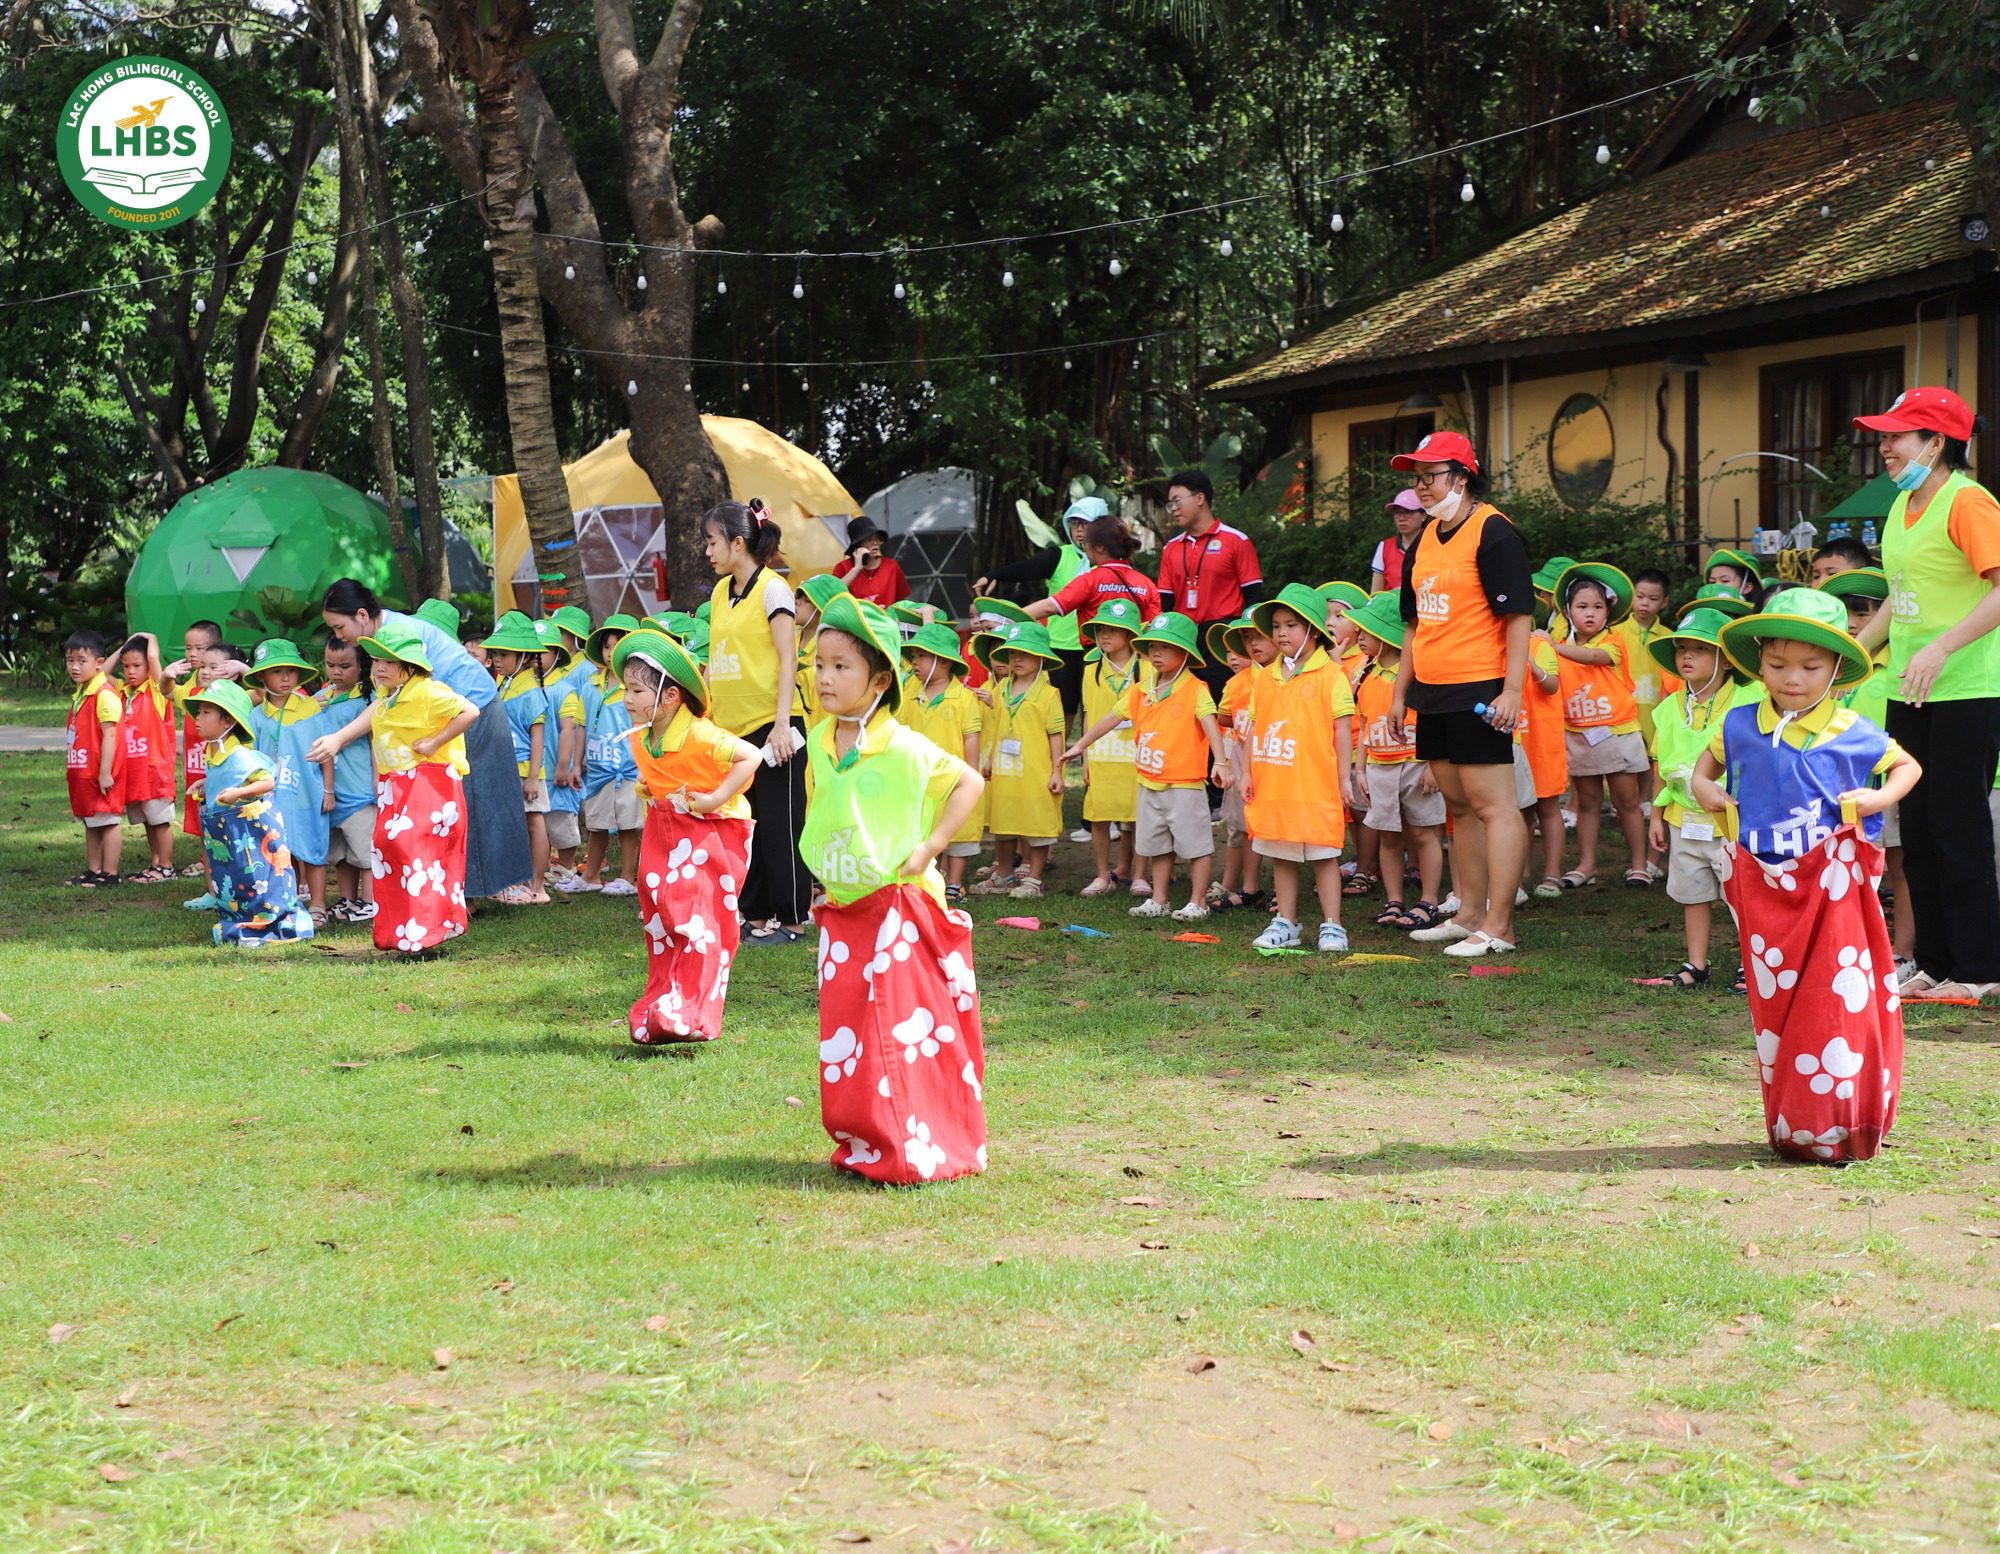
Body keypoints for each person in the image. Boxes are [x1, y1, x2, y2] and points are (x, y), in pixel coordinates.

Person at [1693, 589, 1920, 1162]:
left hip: (1837, 886)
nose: (1792, 678)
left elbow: (1908, 766)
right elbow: (1704, 770)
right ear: (1760, 661)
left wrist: (1877, 797)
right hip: (1764, 888)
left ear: (1837, 667)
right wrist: (1707, 792)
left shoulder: (1853, 728)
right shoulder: (1741, 722)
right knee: (1777, 1006)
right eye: (1777, 665)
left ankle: (1841, 1124)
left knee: (1835, 1002)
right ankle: (1796, 1122)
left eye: (1809, 667)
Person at [799, 594, 988, 1185]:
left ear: (880, 678)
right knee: (849, 1031)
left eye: (841, 666)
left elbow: (969, 782)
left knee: (905, 1031)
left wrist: (930, 848)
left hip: (901, 908)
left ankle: (922, 1146)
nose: (825, 677)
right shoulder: (822, 742)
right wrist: (823, 882)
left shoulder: (904, 747)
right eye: (818, 664)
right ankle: (865, 1140)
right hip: (846, 909)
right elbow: (821, 812)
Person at [1849, 387, 2000, 1000]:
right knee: (1917, 826)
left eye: (1897, 436)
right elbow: (1898, 597)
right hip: (1908, 691)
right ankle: (1937, 963)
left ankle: (1981, 969)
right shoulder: (1902, 503)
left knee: (1957, 828)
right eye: (1883, 436)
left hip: (1968, 690)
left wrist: (1943, 647)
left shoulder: (1970, 502)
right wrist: (1853, 658)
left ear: (1937, 443)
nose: (1885, 447)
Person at [1389, 431, 1533, 956]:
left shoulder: (1494, 532)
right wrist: (1398, 695)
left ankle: (1500, 925)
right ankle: (1468, 914)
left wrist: (1512, 690)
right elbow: (1412, 626)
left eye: (1430, 475)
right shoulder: (1424, 538)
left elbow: (1518, 616)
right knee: (1459, 806)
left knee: (1494, 805)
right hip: (1432, 689)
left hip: (1481, 686)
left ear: (1462, 476)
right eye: (1416, 477)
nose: (1421, 486)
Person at [317, 579, 532, 900]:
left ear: (362, 615)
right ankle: (464, 893)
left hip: (475, 710)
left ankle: (484, 892)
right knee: (455, 806)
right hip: (447, 717)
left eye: (339, 626)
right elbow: (387, 706)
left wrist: (340, 738)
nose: (338, 636)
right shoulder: (380, 640)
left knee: (477, 801)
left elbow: (382, 704)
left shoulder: (399, 634)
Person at [612, 628, 760, 1044]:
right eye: (627, 688)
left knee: (696, 919)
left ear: (671, 696)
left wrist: (716, 797)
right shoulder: (643, 737)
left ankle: (692, 1012)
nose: (628, 698)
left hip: (712, 833)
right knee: (660, 913)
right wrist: (649, 784)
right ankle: (667, 1000)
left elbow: (752, 755)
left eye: (638, 690)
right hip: (666, 830)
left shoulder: (700, 734)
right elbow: (660, 774)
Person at [313, 619, 479, 954]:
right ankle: (402, 934)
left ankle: (425, 934)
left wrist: (435, 742)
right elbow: (374, 713)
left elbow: (470, 711)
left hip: (430, 785)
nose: (379, 668)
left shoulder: (430, 691)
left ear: (408, 665)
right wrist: (338, 739)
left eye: (387, 661)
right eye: (375, 661)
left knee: (414, 854)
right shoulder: (389, 695)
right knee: (389, 851)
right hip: (397, 786)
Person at [703, 499, 815, 945]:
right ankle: (754, 917)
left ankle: (791, 921)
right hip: (733, 732)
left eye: (712, 542)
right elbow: (716, 660)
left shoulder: (774, 590)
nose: (707, 551)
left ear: (737, 541)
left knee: (781, 825)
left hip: (774, 728)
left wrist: (784, 724)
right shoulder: (718, 593)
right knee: (745, 826)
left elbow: (788, 660)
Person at [1066, 611, 1227, 921]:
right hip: (1149, 781)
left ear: (1184, 653)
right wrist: (1082, 744)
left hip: (1184, 783)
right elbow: (1113, 717)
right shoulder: (1142, 688)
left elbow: (1209, 722)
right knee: (1158, 845)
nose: (1155, 653)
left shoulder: (1196, 688)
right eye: (1152, 646)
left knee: (1196, 846)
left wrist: (1220, 761)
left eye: (1165, 647)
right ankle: (1159, 898)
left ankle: (1198, 902)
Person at [1641, 608, 1751, 991]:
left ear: (1725, 657)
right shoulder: (1669, 707)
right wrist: (1656, 814)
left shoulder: (1749, 698)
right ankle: (1696, 965)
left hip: (1733, 819)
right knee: (1693, 893)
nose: (1686, 656)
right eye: (1681, 649)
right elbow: (1661, 763)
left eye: (1699, 650)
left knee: (1742, 895)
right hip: (1683, 817)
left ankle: (1750, 965)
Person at [1242, 584, 1355, 952]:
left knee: (1324, 855)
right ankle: (1286, 922)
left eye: (1291, 624)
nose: (1280, 633)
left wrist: (1344, 780)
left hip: (1316, 784)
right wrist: (1245, 772)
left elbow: (1342, 732)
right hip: (1275, 783)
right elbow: (1253, 729)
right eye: (1276, 626)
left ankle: (1333, 925)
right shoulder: (1265, 677)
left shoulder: (1331, 676)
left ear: (1311, 629)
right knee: (1281, 854)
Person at [1821, 568, 1910, 971]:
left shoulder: (1899, 664)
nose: (1855, 621)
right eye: (1846, 611)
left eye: (1865, 610)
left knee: (1900, 867)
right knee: (1839, 872)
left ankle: (1903, 951)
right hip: (1832, 791)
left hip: (1886, 785)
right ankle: (1844, 948)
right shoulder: (1827, 669)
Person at [1546, 564, 1651, 890]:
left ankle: (1639, 865)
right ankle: (1587, 865)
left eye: (1597, 607)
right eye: (1582, 607)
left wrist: (1552, 646)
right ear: (1567, 611)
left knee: (1627, 802)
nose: (1590, 614)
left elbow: (1593, 658)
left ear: (1608, 611)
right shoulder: (1557, 642)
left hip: (1616, 731)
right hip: (1578, 732)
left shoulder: (1614, 641)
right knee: (1588, 802)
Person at [187, 680, 314, 947]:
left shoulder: (241, 755)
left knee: (260, 880)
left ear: (227, 721)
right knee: (234, 878)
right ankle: (241, 920)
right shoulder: (215, 752)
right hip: (228, 835)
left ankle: (272, 923)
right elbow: (224, 778)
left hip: (253, 836)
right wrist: (206, 784)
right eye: (198, 712)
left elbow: (267, 781)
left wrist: (236, 794)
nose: (198, 718)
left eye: (206, 713)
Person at [1348, 592, 1444, 930]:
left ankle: (1429, 900)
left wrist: (1433, 763)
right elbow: (1363, 725)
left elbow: (1434, 718)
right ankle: (1394, 900)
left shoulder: (1417, 674)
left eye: (1366, 631)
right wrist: (1361, 768)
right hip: (1379, 767)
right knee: (1388, 836)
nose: (1358, 636)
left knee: (1424, 834)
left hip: (1416, 765)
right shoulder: (1364, 675)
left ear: (1388, 634)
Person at [974, 497, 1103, 724]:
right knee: (1063, 712)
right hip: (1060, 648)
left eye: (1086, 523)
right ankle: (1059, 758)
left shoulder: (1110, 564)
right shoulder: (1060, 556)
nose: (1079, 530)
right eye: (1074, 523)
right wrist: (994, 575)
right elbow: (1026, 568)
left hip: (1098, 647)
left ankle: (1089, 760)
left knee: (1094, 710)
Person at [972, 620, 1067, 898]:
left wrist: (1057, 772)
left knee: (1036, 824)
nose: (1017, 660)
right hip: (1005, 771)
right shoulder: (1001, 689)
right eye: (1013, 653)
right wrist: (989, 761)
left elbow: (1056, 735)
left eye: (1024, 654)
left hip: (1036, 772)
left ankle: (1033, 880)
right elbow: (998, 725)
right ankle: (1003, 874)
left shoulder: (1050, 694)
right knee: (1004, 824)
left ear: (1041, 657)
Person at [244, 638, 334, 925]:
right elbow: (252, 758)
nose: (285, 678)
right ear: (261, 677)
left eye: (291, 671)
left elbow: (326, 751)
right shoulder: (256, 716)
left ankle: (319, 905)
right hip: (272, 797)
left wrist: (329, 789)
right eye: (276, 671)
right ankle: (291, 903)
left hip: (308, 792)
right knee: (282, 849)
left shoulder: (311, 709)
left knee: (314, 848)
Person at [1157, 469, 1264, 706]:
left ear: (1200, 498)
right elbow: (1164, 603)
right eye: (1170, 503)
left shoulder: (1236, 540)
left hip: (1221, 636)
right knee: (1184, 706)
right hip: (1184, 637)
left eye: (1177, 500)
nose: (1173, 508)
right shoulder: (1171, 548)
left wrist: (1248, 643)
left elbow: (1254, 598)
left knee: (1222, 704)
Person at [898, 621, 985, 902]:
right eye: (914, 657)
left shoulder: (964, 698)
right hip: (916, 777)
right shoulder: (909, 694)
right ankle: (926, 877)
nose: (915, 663)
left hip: (954, 777)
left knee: (957, 832)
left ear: (944, 662)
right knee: (923, 827)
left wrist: (972, 771)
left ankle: (955, 882)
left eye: (922, 656)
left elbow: (971, 737)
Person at [1072, 596, 1150, 897]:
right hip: (1103, 753)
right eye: (1100, 629)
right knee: (1099, 815)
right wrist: (1087, 759)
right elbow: (1089, 712)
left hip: (1137, 753)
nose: (1104, 635)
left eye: (1113, 630)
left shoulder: (1145, 666)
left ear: (1130, 635)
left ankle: (1138, 873)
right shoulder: (1091, 667)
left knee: (1136, 816)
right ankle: (1103, 874)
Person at [484, 611, 552, 905]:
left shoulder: (530, 689)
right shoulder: (505, 683)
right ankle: (521, 882)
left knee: (534, 822)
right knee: (517, 825)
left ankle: (539, 885)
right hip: (507, 769)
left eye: (504, 654)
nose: (497, 659)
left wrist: (534, 776)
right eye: (495, 653)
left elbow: (538, 736)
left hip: (527, 770)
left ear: (523, 655)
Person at [577, 614, 644, 897]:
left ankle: (628, 877)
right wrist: (578, 761)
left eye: (618, 645)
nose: (610, 652)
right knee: (597, 823)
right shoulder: (591, 685)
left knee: (628, 824)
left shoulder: (636, 688)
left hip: (628, 768)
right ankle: (591, 875)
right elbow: (581, 725)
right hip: (598, 767)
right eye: (606, 646)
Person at [1211, 613, 1273, 910]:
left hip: (1277, 756)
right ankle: (1251, 887)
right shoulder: (1237, 682)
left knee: (1278, 823)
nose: (1251, 644)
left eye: (1258, 636)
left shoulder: (1284, 676)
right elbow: (1224, 716)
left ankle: (1287, 893)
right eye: (1247, 638)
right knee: (1244, 823)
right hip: (1241, 757)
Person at [317, 637, 378, 925]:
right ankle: (347, 900)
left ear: (362, 666)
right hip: (333, 792)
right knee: (340, 853)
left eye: (345, 666)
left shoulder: (367, 700)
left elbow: (376, 742)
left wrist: (378, 780)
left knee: (365, 852)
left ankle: (370, 902)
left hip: (359, 791)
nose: (336, 672)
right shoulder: (324, 696)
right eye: (330, 665)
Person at [1022, 514, 1161, 636]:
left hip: (1097, 658)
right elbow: (1152, 628)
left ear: (1100, 546)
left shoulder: (1090, 580)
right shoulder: (1146, 584)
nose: (1085, 549)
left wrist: (1009, 618)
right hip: (1135, 662)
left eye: (1085, 543)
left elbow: (1049, 607)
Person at [64, 628, 125, 887]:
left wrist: (105, 772)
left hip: (102, 773)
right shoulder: (82, 693)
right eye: (70, 660)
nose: (75, 667)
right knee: (91, 821)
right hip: (83, 772)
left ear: (99, 663)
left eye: (81, 661)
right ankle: (93, 869)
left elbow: (110, 736)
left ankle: (110, 873)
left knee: (108, 821)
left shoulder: (104, 695)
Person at [116, 632, 178, 882]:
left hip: (155, 771)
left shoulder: (156, 689)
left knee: (160, 821)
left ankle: (167, 866)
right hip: (135, 774)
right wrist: (124, 647)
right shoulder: (123, 692)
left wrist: (149, 636)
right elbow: (100, 674)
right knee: (148, 822)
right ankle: (156, 863)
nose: (130, 671)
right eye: (126, 666)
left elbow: (153, 656)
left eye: (137, 665)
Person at [793, 574, 851, 737]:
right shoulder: (786, 638)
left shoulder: (838, 649)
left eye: (807, 599)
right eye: (798, 596)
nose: (797, 602)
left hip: (822, 735)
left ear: (824, 607)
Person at [832, 517, 911, 606]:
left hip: (887, 618)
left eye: (878, 539)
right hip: (857, 619)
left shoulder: (891, 565)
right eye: (869, 539)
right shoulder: (843, 567)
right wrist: (857, 568)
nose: (875, 543)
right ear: (858, 544)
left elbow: (902, 601)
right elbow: (833, 595)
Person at [1369, 488, 1428, 593]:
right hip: (1391, 608)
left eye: (1408, 512)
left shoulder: (1434, 546)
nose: (1401, 518)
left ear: (1423, 515)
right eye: (1397, 512)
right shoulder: (1385, 547)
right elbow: (1375, 593)